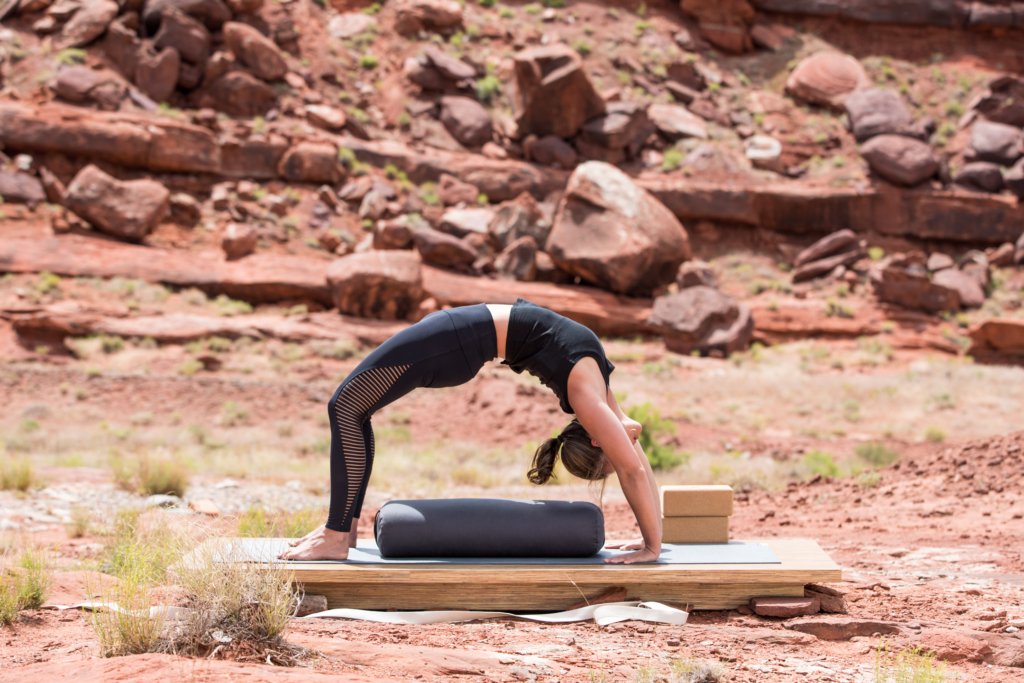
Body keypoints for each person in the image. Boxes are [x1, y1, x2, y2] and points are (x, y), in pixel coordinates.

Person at [279, 298, 663, 564]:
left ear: (598, 436)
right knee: (353, 409)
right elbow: (633, 461)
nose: (628, 440)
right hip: (459, 339)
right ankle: (341, 532)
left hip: (456, 341)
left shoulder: (589, 389)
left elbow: (632, 468)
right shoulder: (597, 395)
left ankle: (335, 535)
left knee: (346, 406)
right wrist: (654, 541)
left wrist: (651, 545)